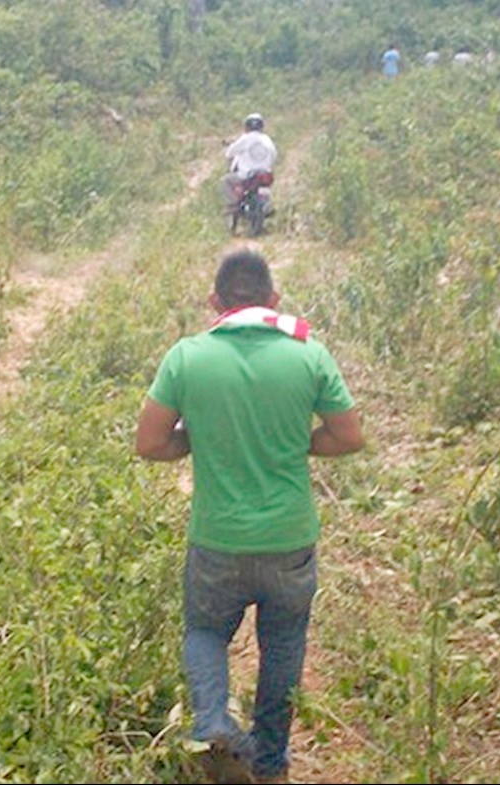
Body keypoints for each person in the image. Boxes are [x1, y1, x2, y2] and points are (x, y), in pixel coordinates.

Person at [135, 250, 364, 784]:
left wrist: (197, 440)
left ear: (215, 302)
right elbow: (349, 436)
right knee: (283, 645)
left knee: (206, 632)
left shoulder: (188, 357)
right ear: (274, 301)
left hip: (218, 539)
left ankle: (214, 721)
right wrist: (294, 443)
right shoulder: (308, 355)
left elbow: (149, 443)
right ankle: (270, 765)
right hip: (289, 540)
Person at [221, 113, 278, 210]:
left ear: (247, 127)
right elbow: (274, 156)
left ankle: (234, 204)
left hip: (246, 175)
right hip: (265, 174)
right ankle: (266, 204)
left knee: (225, 181)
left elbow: (230, 153)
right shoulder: (267, 139)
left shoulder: (245, 138)